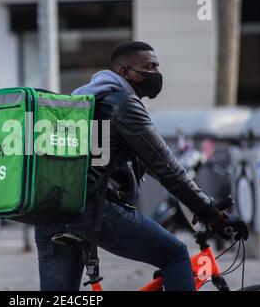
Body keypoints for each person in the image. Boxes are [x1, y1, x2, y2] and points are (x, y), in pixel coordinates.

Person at [34, 41, 248, 291]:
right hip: (96, 210)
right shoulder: (124, 104)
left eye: (157, 66)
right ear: (125, 72)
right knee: (175, 255)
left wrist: (203, 206)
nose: (156, 73)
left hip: (53, 211)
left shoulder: (87, 101)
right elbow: (168, 170)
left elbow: (150, 165)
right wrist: (212, 215)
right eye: (149, 67)